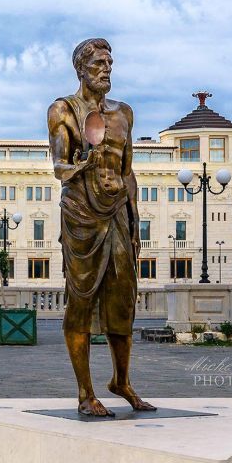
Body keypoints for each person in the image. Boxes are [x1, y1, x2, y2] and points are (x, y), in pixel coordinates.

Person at [47, 38, 155, 417]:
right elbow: (60, 169)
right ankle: (84, 392)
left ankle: (121, 381)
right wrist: (83, 164)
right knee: (81, 299)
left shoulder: (123, 113)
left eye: (110, 62)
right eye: (98, 63)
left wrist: (135, 219)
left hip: (118, 214)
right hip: (81, 215)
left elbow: (128, 172)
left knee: (123, 298)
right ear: (81, 68)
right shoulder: (64, 110)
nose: (106, 69)